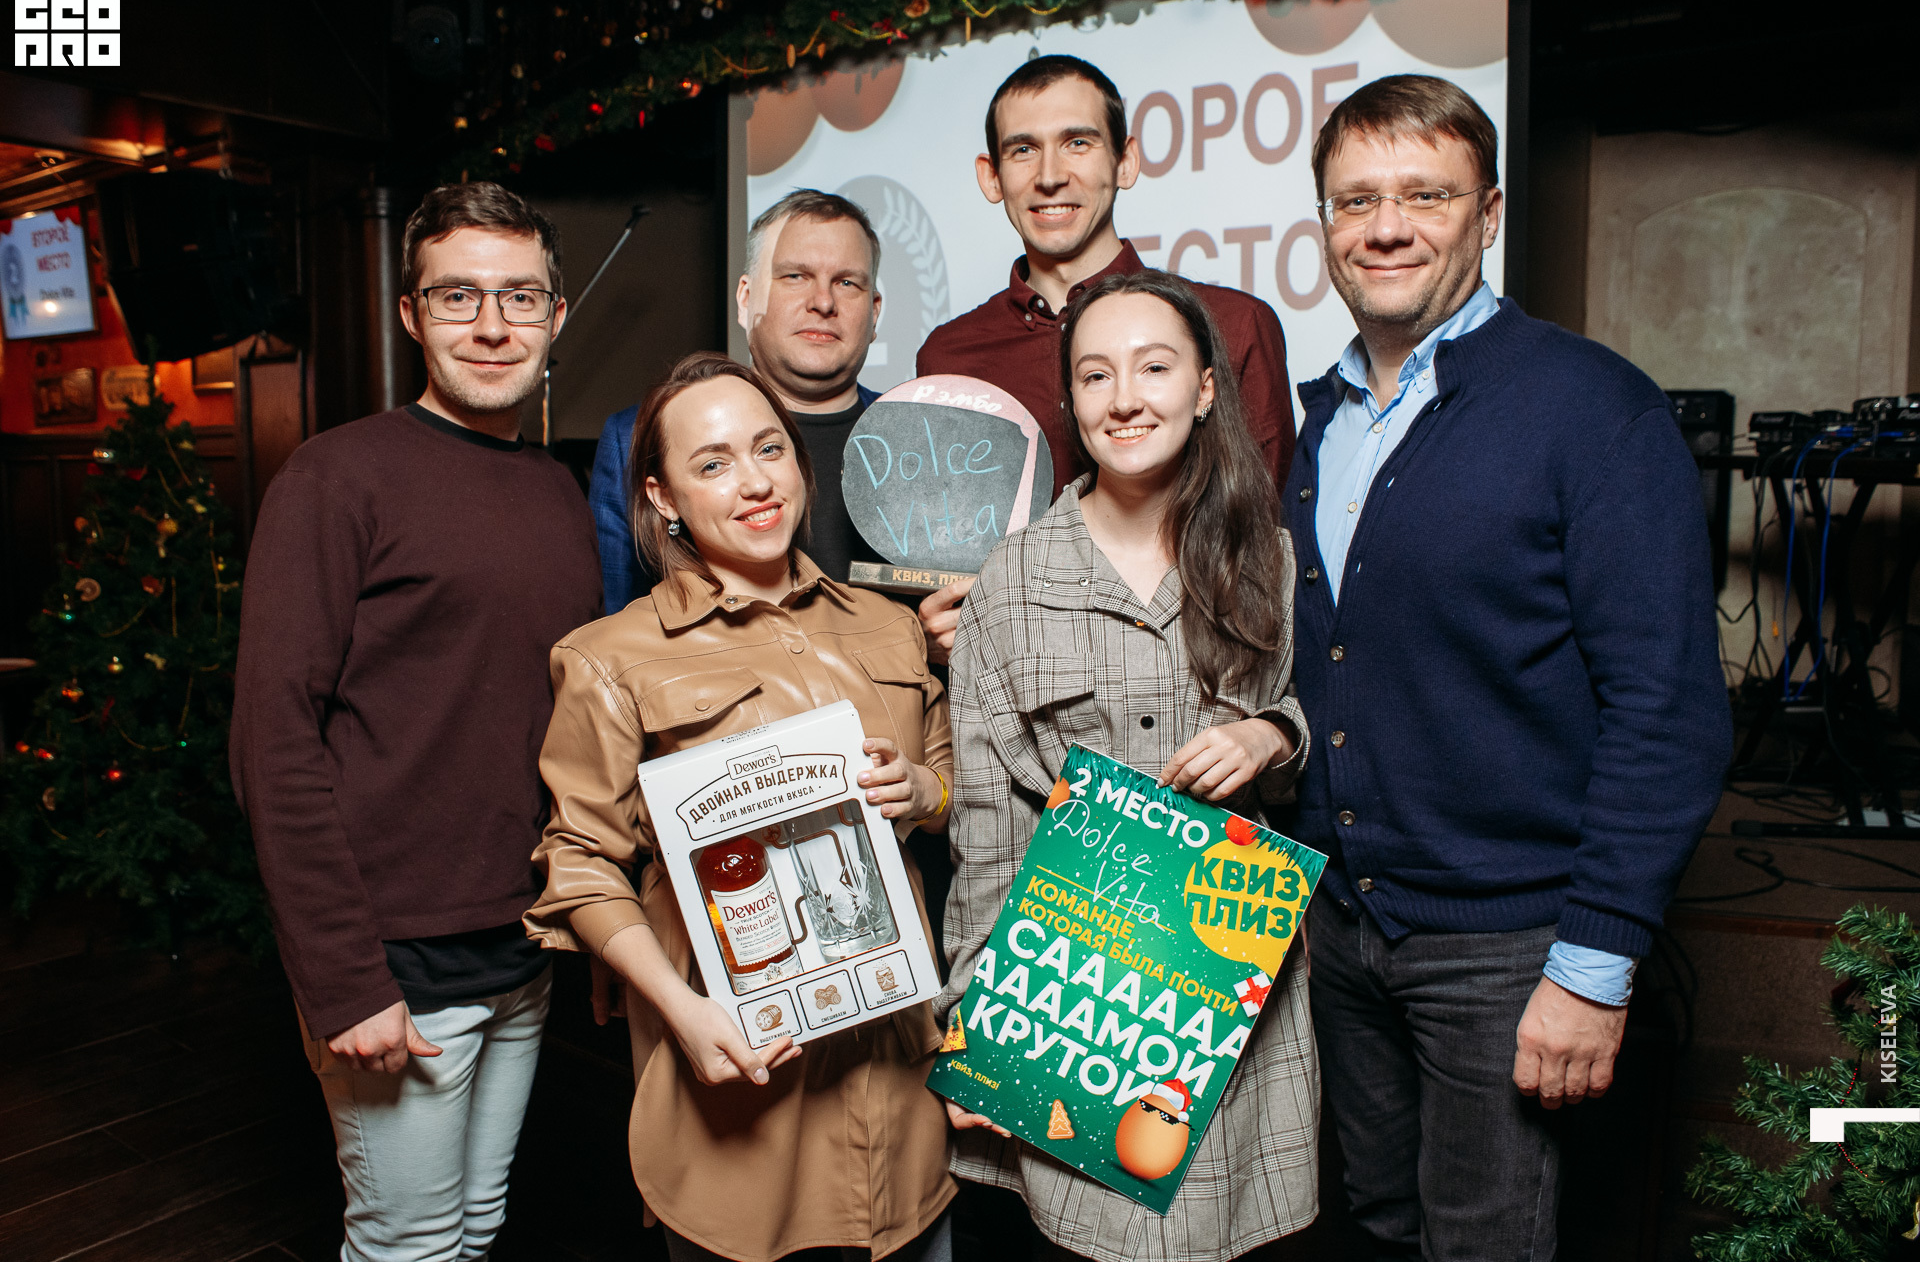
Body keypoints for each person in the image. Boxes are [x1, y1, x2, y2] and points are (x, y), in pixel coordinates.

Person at [1286, 75, 1732, 1259]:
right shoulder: (1321, 420)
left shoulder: (1593, 408)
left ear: (1487, 213)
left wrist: (1592, 965)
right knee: (1381, 1223)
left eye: (1425, 195)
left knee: (1487, 1241)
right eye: (1356, 200)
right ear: (1325, 224)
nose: (1387, 227)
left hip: (1509, 946)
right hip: (1341, 930)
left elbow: (1667, 709)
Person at [231, 182, 601, 1261]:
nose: (491, 324)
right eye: (457, 296)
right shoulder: (335, 477)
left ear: (555, 315)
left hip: (524, 941)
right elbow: (272, 741)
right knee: (409, 1244)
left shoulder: (556, 488)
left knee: (475, 1228)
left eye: (518, 296)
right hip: (395, 955)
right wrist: (344, 978)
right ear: (411, 314)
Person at [525, 353, 956, 1262]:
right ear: (663, 497)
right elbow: (580, 864)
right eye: (713, 463)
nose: (755, 482)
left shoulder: (889, 624)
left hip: (902, 1087)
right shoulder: (610, 657)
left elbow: (952, 788)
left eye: (769, 449)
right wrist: (679, 1011)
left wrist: (924, 790)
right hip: (741, 1093)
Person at [937, 270, 1315, 1262]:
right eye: (1095, 375)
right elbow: (988, 829)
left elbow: (1326, 741)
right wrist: (974, 1024)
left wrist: (1274, 734)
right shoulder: (1010, 583)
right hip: (1075, 1002)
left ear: (1205, 388)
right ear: (1071, 401)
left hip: (1236, 991)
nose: (1124, 398)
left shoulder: (1271, 560)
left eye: (1154, 368)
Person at [913, 55, 1298, 666]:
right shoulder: (950, 356)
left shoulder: (1231, 325)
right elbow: (943, 547)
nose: (1050, 176)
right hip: (1017, 681)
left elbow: (1267, 537)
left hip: (1195, 678)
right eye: (1023, 150)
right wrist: (935, 632)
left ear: (1126, 161)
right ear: (991, 177)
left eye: (1078, 143)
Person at [590, 189, 888, 614]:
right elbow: (612, 628)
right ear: (746, 300)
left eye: (846, 282)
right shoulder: (635, 436)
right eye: (795, 276)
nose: (823, 302)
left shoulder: (918, 439)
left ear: (874, 312)